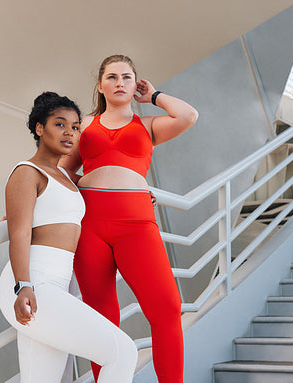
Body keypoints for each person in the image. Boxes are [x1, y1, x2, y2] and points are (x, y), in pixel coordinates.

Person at [59, 54, 198, 383]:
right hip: (90, 223)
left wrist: (154, 97)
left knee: (165, 308)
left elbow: (188, 115)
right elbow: (63, 171)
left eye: (126, 77)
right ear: (100, 85)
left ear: (136, 84)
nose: (119, 82)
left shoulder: (148, 125)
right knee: (102, 316)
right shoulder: (84, 126)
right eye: (111, 77)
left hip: (137, 224)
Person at [0, 91, 138, 383]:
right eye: (60, 124)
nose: (69, 133)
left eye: (75, 127)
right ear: (40, 128)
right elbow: (20, 233)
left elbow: (102, 185)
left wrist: (139, 196)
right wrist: (23, 286)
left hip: (57, 285)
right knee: (123, 352)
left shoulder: (64, 176)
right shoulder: (27, 173)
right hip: (32, 281)